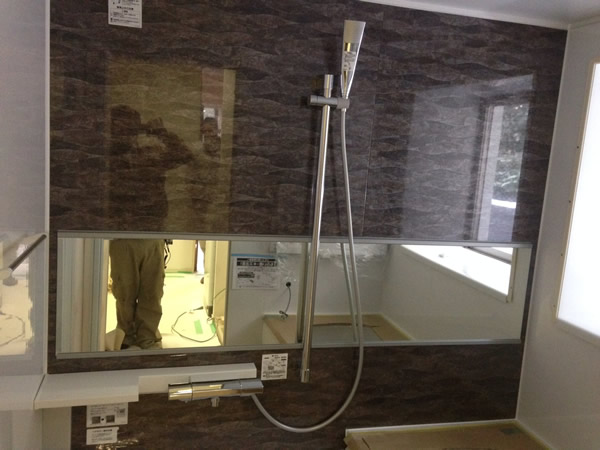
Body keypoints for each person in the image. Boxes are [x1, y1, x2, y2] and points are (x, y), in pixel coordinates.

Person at [109, 239, 165, 350]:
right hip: (123, 239)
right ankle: (126, 335)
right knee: (124, 293)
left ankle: (147, 336)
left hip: (153, 238)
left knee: (152, 293)